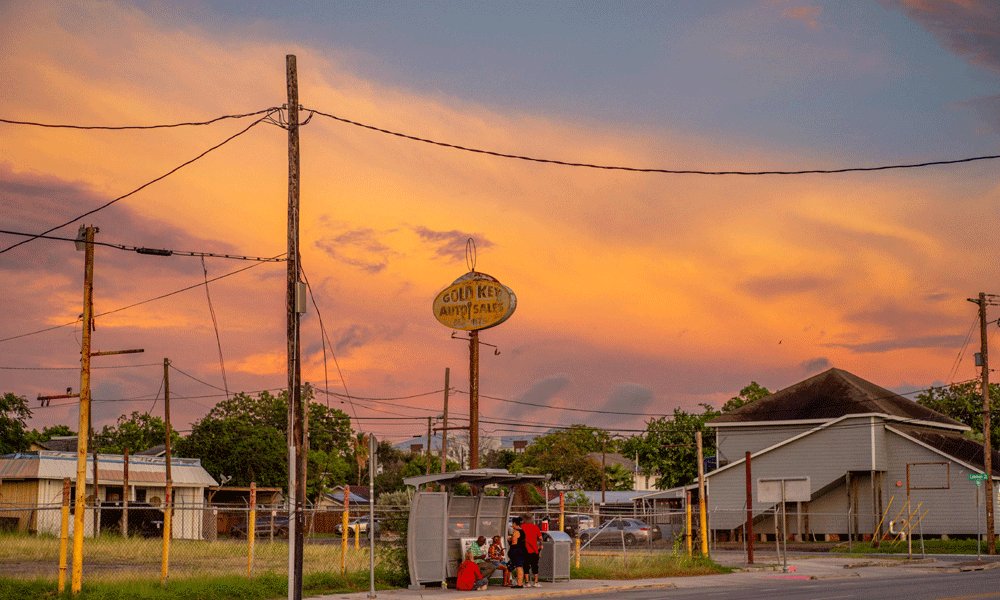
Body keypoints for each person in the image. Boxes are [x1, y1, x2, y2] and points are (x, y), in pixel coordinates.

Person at [520, 515, 543, 587]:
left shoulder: (522, 526)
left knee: (526, 565)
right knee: (535, 565)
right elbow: (540, 538)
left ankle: (527, 582)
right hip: (534, 549)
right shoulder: (535, 527)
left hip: (524, 549)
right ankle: (535, 582)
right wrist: (540, 545)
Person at [508, 518, 526, 588]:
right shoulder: (522, 531)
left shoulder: (516, 532)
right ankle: (520, 583)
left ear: (515, 523)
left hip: (517, 551)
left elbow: (514, 543)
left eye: (512, 523)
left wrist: (510, 541)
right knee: (520, 567)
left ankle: (519, 584)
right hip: (522, 550)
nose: (512, 525)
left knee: (518, 567)